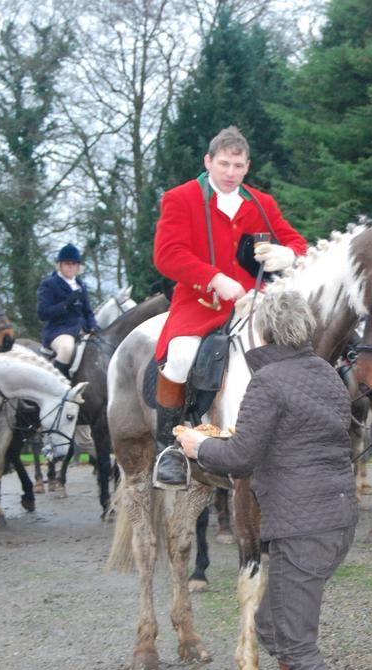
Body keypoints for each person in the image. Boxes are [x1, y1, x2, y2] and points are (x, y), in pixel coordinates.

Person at [176, 290, 355, 670]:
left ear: (262, 331)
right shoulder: (328, 373)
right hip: (338, 521)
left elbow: (240, 457)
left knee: (298, 646)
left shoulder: (268, 381)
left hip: (302, 529)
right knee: (269, 625)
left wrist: (199, 445)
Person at [151, 125, 307, 486]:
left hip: (256, 306)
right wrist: (213, 278)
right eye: (223, 164)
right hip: (200, 302)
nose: (230, 172)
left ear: (247, 166)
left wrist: (288, 254)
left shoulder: (262, 203)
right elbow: (167, 255)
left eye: (238, 166)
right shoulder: (181, 198)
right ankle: (170, 447)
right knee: (179, 356)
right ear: (208, 162)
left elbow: (297, 242)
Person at [36, 243, 98, 379]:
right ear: (60, 265)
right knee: (66, 349)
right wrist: (65, 305)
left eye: (73, 264)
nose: (70, 266)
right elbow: (43, 313)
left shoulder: (80, 285)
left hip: (82, 330)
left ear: (78, 266)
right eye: (67, 264)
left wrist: (93, 325)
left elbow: (88, 311)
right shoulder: (49, 284)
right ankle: (56, 385)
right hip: (59, 331)